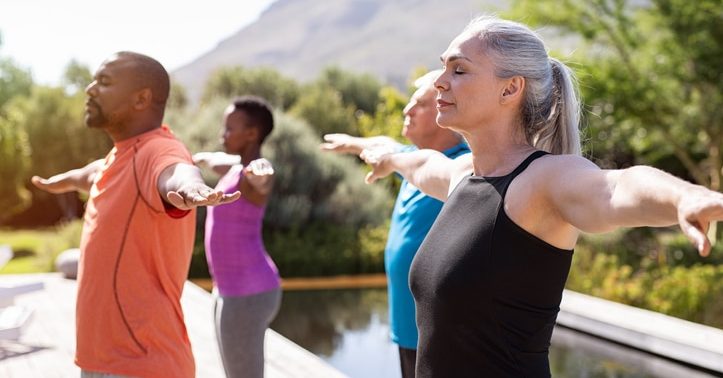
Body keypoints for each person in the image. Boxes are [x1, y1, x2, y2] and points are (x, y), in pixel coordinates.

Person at [359, 16, 723, 377]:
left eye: (459, 70)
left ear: (509, 89)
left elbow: (617, 187)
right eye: (444, 68)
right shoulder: (463, 175)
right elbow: (420, 164)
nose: (439, 82)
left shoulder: (542, 180)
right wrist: (388, 158)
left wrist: (684, 196)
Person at [31, 51, 239, 378]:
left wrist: (191, 188)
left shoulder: (158, 150)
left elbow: (176, 170)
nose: (90, 89)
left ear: (142, 98)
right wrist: (66, 180)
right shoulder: (121, 155)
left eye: (104, 82)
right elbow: (95, 172)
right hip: (101, 361)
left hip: (143, 364)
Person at [321, 71, 469, 378]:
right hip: (408, 330)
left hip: (444, 336)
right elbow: (384, 143)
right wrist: (352, 143)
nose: (406, 111)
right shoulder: (410, 158)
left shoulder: (463, 167)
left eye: (419, 104)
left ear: (446, 113)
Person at [192, 96, 281, 378]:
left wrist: (260, 175)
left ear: (252, 134)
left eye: (230, 129)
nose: (223, 134)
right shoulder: (234, 167)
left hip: (248, 292)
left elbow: (262, 177)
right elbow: (213, 159)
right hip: (229, 289)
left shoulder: (252, 172)